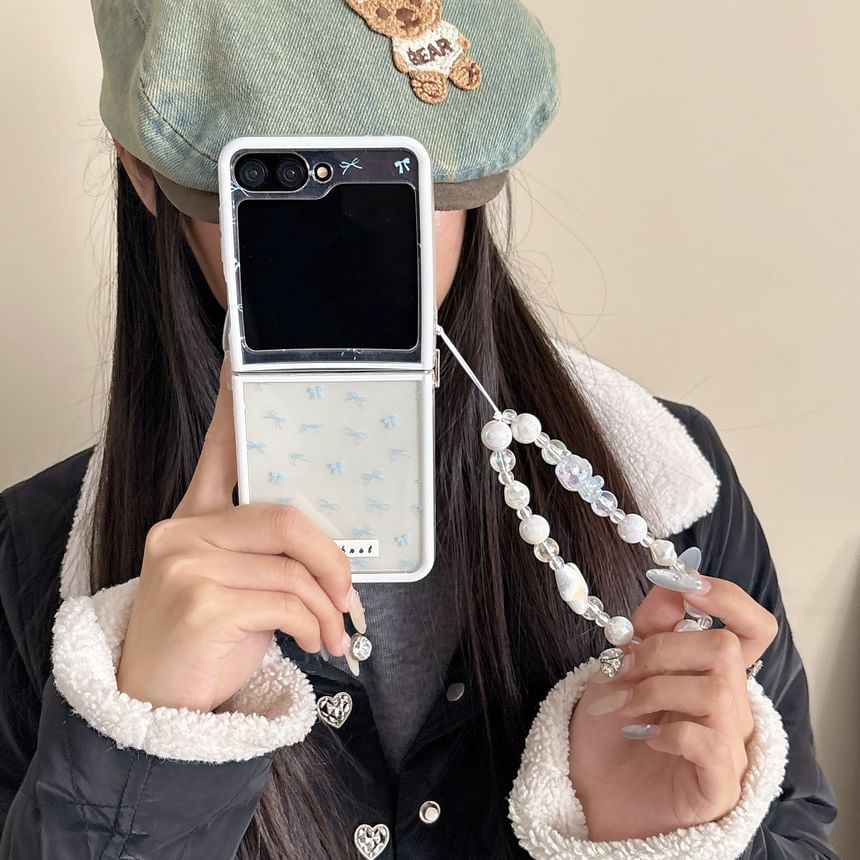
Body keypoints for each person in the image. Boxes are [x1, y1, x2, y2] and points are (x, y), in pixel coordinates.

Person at [0, 1, 838, 858]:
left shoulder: (665, 501)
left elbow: (799, 833)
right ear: (143, 173)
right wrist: (145, 751)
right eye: (283, 186)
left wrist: (661, 840)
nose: (349, 244)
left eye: (400, 181)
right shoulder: (31, 560)